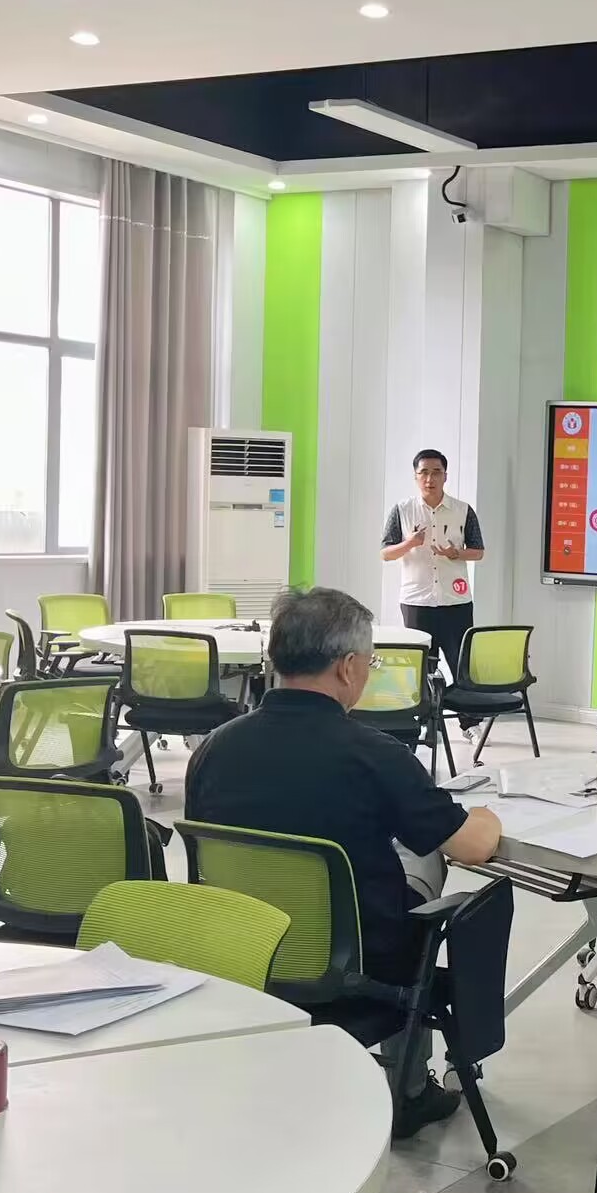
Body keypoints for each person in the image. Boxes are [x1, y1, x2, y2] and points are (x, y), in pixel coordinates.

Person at [184, 586, 501, 1137]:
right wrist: (485, 813)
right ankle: (409, 1088)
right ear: (349, 667)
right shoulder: (376, 754)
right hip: (355, 963)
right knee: (426, 857)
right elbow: (473, 846)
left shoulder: (213, 748)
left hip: (240, 948)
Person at [381, 449, 484, 677]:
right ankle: (430, 703)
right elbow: (386, 554)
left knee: (462, 667)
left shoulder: (463, 510)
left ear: (445, 476)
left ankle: (465, 702)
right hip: (417, 602)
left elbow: (478, 552)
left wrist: (456, 553)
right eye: (424, 472)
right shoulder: (402, 510)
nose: (430, 479)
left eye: (436, 472)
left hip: (456, 602)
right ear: (416, 476)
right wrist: (410, 543)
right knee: (421, 670)